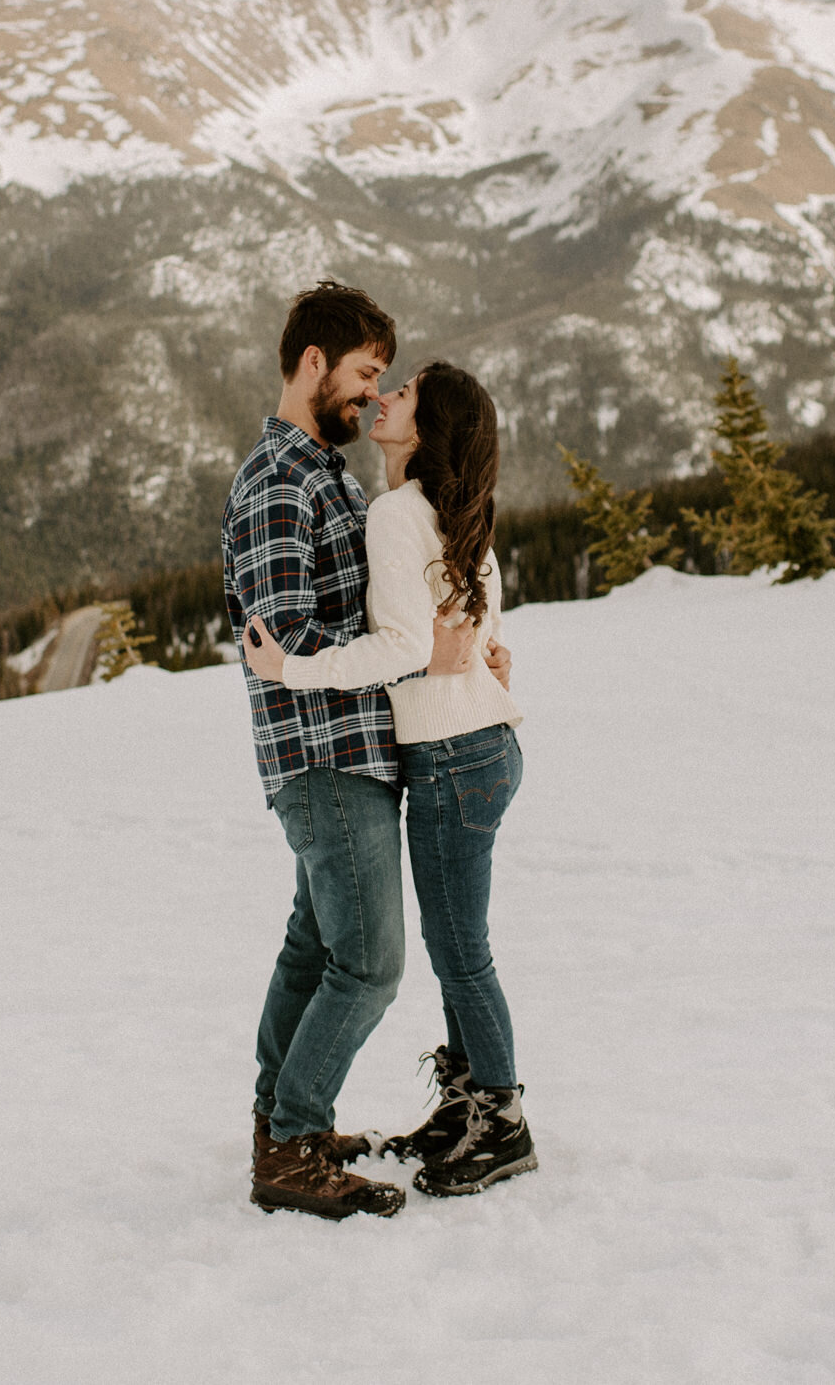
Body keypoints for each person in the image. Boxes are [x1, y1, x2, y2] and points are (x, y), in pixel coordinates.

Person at [245, 358, 534, 1198]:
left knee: (460, 954)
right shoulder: (455, 515)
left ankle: (500, 1119)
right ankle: (467, 1104)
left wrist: (294, 670)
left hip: (450, 755)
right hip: (480, 748)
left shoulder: (397, 513)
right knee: (454, 951)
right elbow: (468, 635)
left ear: (427, 427)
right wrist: (473, 663)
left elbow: (409, 647)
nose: (382, 396)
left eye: (400, 393)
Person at [224, 281, 480, 1221]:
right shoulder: (277, 483)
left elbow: (373, 615)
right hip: (322, 759)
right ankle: (292, 1143)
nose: (375, 397)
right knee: (370, 964)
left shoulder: (326, 473)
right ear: (312, 363)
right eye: (365, 376)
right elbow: (284, 639)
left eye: (384, 381)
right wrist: (415, 657)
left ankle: (278, 1124)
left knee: (315, 950)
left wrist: (436, 642)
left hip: (350, 754)